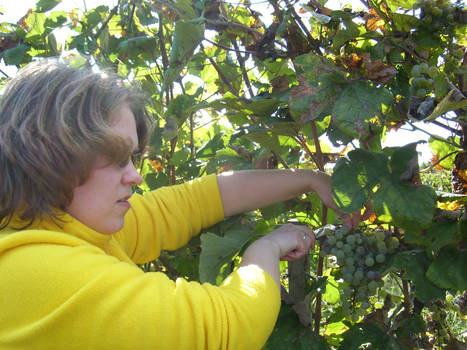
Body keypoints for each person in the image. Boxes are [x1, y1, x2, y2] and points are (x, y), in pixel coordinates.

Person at [0, 60, 345, 349]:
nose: (135, 176)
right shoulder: (42, 273)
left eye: (133, 157)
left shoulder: (54, 227)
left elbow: (192, 202)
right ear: (51, 155)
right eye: (118, 157)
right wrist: (268, 247)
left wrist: (310, 179)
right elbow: (228, 328)